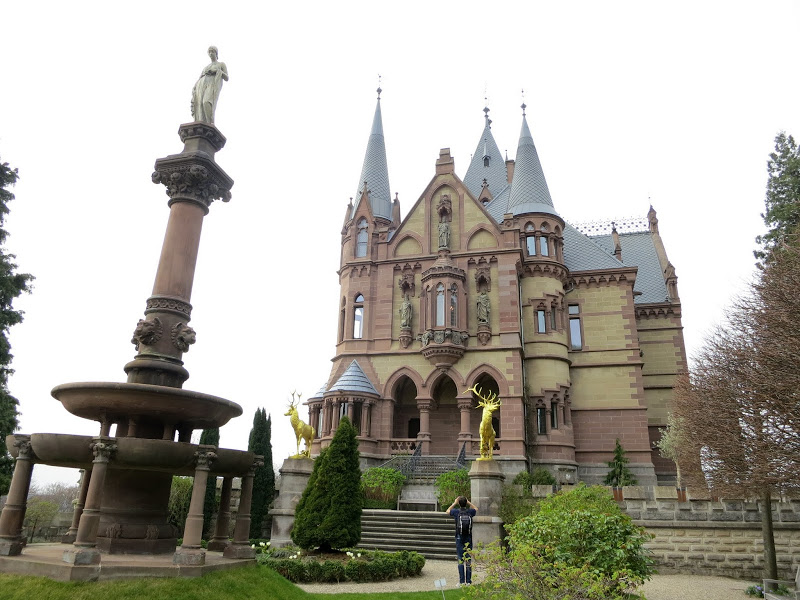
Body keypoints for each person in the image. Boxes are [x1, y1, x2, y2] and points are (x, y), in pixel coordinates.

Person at [191, 46, 228, 124]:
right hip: (201, 86)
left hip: (212, 85)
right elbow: (200, 77)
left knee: (206, 102)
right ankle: (202, 123)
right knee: (200, 105)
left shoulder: (221, 64)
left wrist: (217, 71)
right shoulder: (206, 67)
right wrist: (195, 86)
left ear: (216, 53)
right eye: (209, 52)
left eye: (212, 52)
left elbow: (227, 78)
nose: (211, 54)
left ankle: (209, 123)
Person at [446, 496, 477, 585]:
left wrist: (454, 503)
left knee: (460, 559)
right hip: (468, 537)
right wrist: (469, 502)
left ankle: (461, 581)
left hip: (459, 537)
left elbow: (447, 511)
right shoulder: (470, 512)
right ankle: (469, 581)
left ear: (459, 503)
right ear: (465, 502)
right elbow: (476, 508)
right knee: (468, 559)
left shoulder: (456, 512)